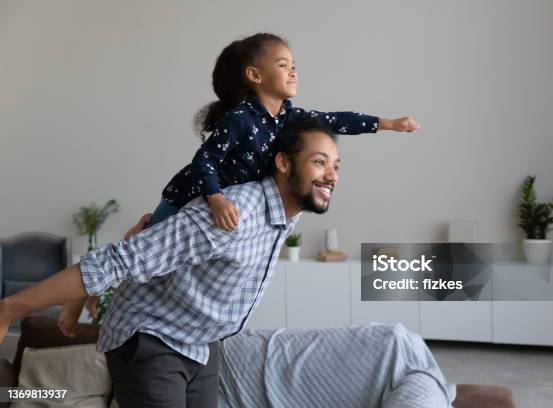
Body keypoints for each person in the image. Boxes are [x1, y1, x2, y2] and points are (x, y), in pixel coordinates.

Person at [59, 32, 421, 336]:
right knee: (136, 252)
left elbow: (335, 120)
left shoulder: (290, 117)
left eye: (294, 65)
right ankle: (78, 297)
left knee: (148, 266)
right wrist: (215, 200)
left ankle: (93, 297)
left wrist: (388, 123)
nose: (293, 71)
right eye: (283, 65)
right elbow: (203, 161)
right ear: (255, 75)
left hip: (218, 200)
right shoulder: (240, 119)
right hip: (189, 198)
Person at [0, 114, 341, 407]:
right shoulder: (236, 215)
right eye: (319, 162)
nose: (332, 175)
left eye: (336, 166)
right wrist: (15, 306)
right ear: (283, 163)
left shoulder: (286, 214)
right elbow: (121, 260)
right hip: (153, 335)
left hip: (200, 341)